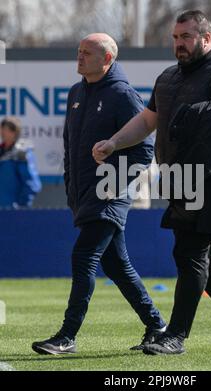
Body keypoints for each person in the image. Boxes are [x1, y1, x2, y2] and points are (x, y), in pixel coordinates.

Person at [92, 11, 211, 355]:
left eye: (186, 37)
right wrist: (114, 142)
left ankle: (176, 336)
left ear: (206, 38)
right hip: (179, 177)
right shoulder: (169, 77)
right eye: (175, 37)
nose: (179, 44)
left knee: (190, 254)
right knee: (205, 258)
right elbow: (147, 121)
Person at [32, 33, 166, 356]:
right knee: (117, 266)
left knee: (83, 257)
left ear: (107, 59)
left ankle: (67, 335)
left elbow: (144, 150)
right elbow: (69, 145)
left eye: (87, 53)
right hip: (84, 196)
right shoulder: (76, 92)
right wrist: (71, 187)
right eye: (78, 51)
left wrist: (114, 185)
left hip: (110, 194)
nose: (79, 58)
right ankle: (158, 326)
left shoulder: (123, 94)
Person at [0, 117, 41, 208]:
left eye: (6, 130)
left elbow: (32, 184)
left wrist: (20, 206)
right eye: (1, 129)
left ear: (15, 132)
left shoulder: (22, 153)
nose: (2, 133)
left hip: (14, 212)